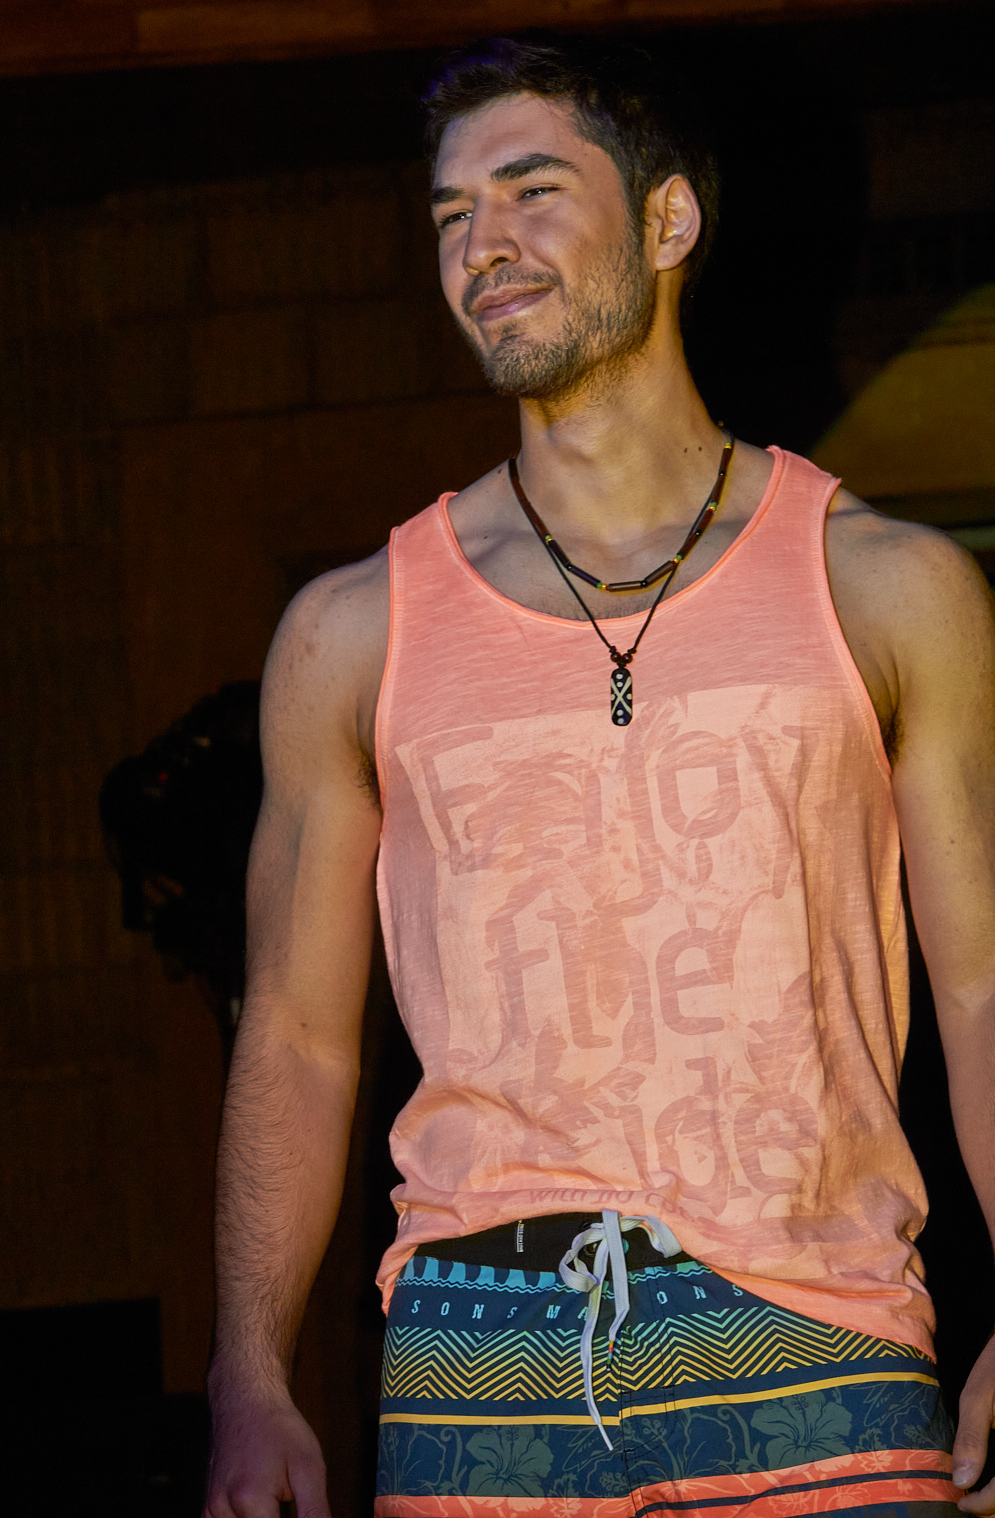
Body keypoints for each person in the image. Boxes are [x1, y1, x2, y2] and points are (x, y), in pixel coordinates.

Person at [203, 35, 995, 1518]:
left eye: (530, 191)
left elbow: (982, 986)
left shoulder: (886, 588)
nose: (481, 246)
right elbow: (298, 1035)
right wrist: (247, 1373)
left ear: (667, 220)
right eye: (452, 214)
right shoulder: (352, 632)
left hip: (818, 1331)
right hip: (476, 1357)